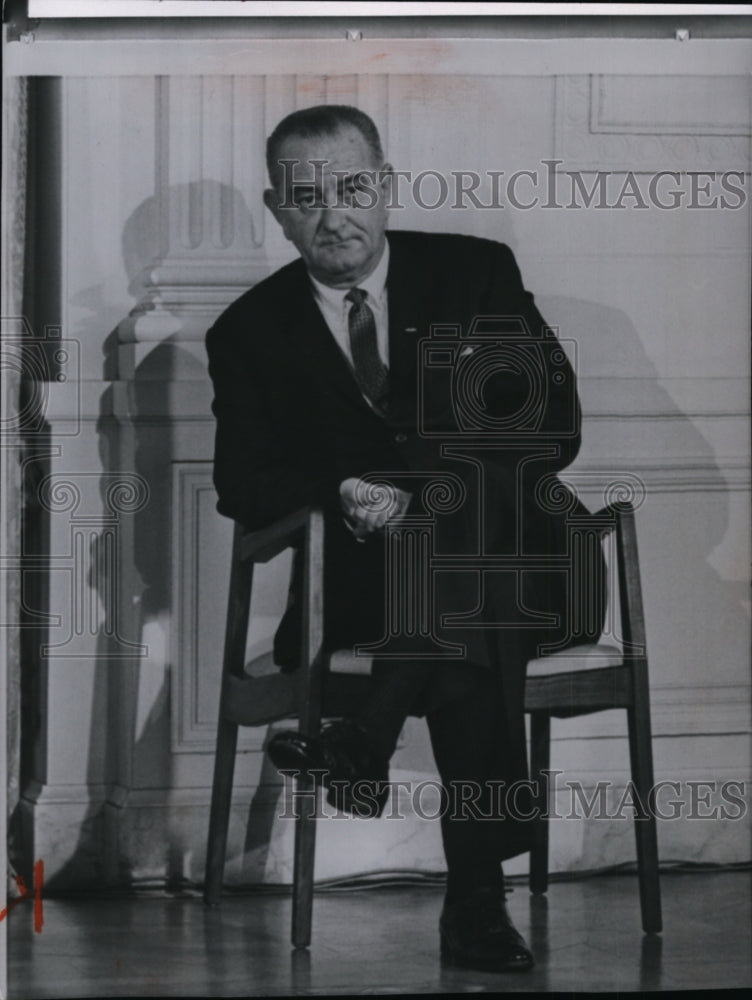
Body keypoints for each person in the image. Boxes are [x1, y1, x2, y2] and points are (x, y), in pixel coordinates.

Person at [206, 105, 605, 972]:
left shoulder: (476, 274)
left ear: (384, 187)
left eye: (351, 188)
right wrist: (340, 490)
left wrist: (434, 470)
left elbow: (555, 423)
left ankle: (365, 737)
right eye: (305, 197)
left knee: (457, 512)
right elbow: (243, 486)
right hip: (372, 592)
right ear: (276, 208)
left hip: (534, 568)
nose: (332, 215)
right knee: (464, 620)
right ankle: (474, 912)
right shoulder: (247, 332)